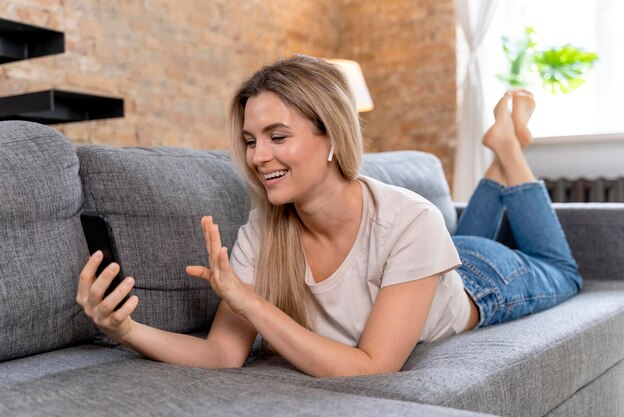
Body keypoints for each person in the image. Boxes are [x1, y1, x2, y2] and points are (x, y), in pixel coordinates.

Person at [76, 54, 582, 378]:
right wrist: (125, 330)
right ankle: (505, 149)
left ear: (333, 139)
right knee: (456, 239)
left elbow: (372, 366)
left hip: (480, 282)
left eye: (278, 136)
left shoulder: (411, 219)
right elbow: (222, 355)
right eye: (252, 141)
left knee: (563, 271)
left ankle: (510, 154)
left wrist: (252, 304)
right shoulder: (264, 231)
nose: (257, 156)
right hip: (426, 268)